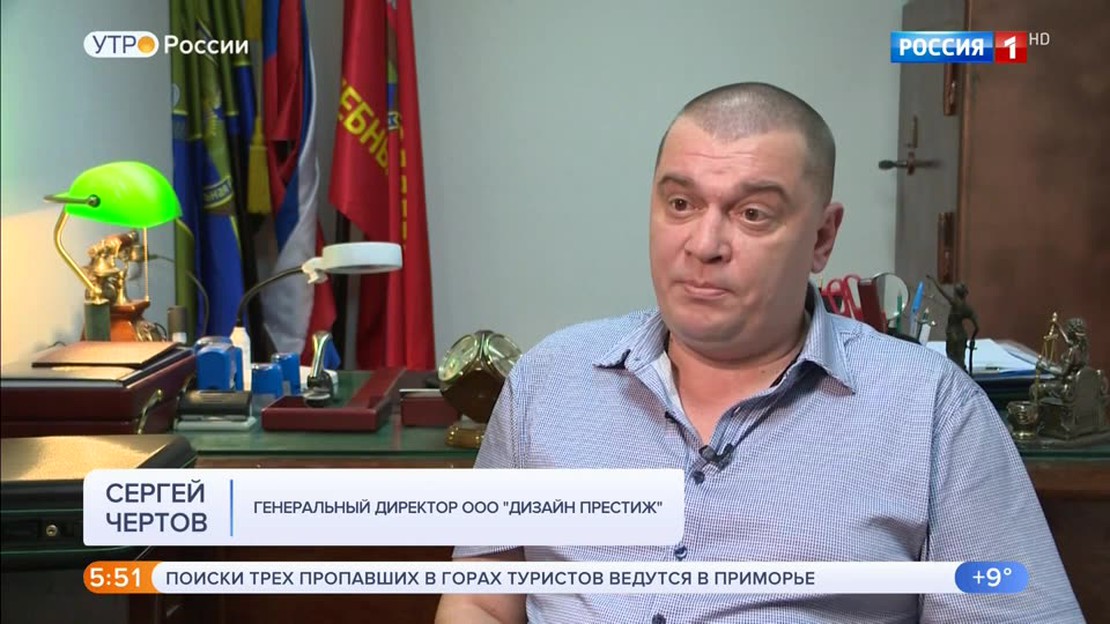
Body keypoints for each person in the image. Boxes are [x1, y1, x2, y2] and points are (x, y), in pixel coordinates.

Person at [435, 82, 1081, 623]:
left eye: (751, 214)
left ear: (822, 238)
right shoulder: (548, 381)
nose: (704, 244)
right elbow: (482, 600)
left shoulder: (933, 411)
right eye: (680, 204)